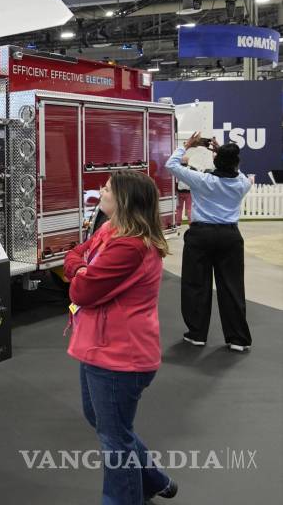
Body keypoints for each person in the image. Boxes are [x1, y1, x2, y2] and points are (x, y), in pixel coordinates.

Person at [64, 171, 177, 504]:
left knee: (114, 441)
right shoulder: (109, 230)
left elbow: (82, 290)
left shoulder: (128, 245)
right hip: (101, 350)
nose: (101, 190)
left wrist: (81, 271)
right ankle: (155, 480)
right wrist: (80, 267)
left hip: (119, 356)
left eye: (108, 188)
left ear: (124, 199)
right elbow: (74, 254)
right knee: (107, 425)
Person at [165, 133, 253, 351]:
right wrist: (222, 151)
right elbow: (236, 171)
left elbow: (172, 164)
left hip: (201, 236)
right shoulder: (242, 184)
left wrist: (187, 146)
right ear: (236, 162)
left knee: (196, 285)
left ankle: (197, 334)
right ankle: (237, 339)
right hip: (230, 237)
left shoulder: (202, 180)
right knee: (232, 287)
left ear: (215, 160)